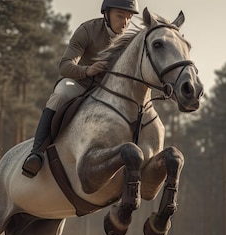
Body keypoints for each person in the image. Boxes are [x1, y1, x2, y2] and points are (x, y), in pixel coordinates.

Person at [21, 0, 139, 178]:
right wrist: (88, 70)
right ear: (106, 14)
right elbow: (64, 66)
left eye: (128, 18)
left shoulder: (130, 43)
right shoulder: (87, 30)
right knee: (60, 94)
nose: (124, 23)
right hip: (79, 84)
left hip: (108, 92)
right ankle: (36, 153)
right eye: (120, 16)